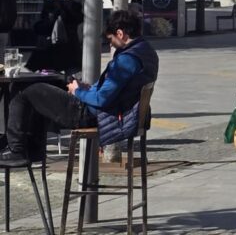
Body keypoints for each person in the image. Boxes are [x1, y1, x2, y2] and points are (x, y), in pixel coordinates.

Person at [0, 10, 157, 166]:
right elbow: (112, 90)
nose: (110, 44)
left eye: (111, 40)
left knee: (25, 90)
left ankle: (18, 150)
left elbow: (101, 99)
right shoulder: (147, 52)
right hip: (113, 111)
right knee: (42, 93)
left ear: (120, 33)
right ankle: (33, 149)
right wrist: (88, 89)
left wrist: (78, 91)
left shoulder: (127, 60)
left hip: (92, 114)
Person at [27, 0, 83, 74]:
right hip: (71, 46)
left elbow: (46, 25)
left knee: (50, 75)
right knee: (71, 74)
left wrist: (37, 27)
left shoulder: (50, 4)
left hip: (52, 46)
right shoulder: (74, 5)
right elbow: (79, 19)